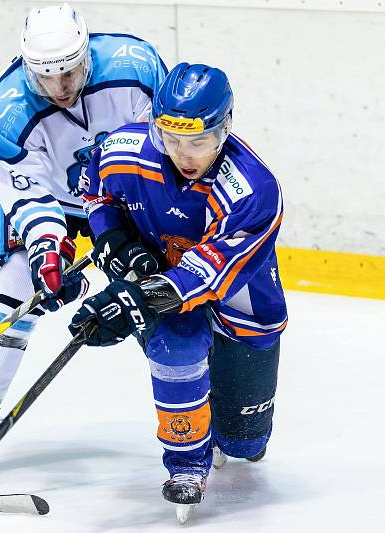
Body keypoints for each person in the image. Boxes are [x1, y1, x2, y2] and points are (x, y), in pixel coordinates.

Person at [0, 3, 167, 461]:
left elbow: (165, 153)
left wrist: (131, 230)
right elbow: (28, 195)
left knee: (153, 293)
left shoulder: (137, 67)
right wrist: (48, 249)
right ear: (28, 66)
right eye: (47, 76)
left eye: (69, 72)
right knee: (15, 286)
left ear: (87, 54)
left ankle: (200, 412)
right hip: (53, 202)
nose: (61, 87)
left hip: (125, 194)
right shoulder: (4, 115)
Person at [69, 62, 287, 514]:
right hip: (160, 281)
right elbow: (95, 191)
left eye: (198, 141)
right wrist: (114, 239)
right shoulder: (123, 149)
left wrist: (136, 300)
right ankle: (186, 464)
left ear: (225, 128)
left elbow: (210, 272)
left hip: (240, 299)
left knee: (245, 443)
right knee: (175, 349)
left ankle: (233, 434)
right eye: (170, 139)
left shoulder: (254, 189)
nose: (183, 154)